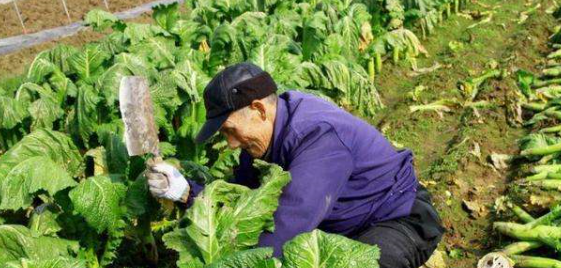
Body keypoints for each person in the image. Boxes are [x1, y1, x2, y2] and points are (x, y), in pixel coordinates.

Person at [146, 62, 445, 268]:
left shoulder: (317, 135)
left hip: (395, 220)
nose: (232, 144)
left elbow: (288, 224)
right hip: (340, 228)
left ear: (259, 110)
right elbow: (245, 207)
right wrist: (186, 192)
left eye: (229, 130)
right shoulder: (264, 140)